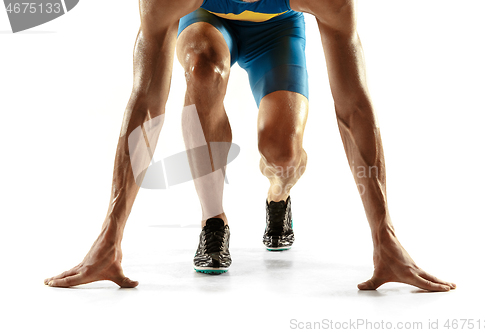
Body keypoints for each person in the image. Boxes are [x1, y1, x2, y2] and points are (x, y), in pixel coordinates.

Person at [44, 0, 456, 291]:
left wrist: (384, 236)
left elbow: (354, 109)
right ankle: (213, 222)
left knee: (282, 152)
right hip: (203, 20)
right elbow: (146, 107)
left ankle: (279, 196)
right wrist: (110, 234)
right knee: (202, 69)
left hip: (278, 31)